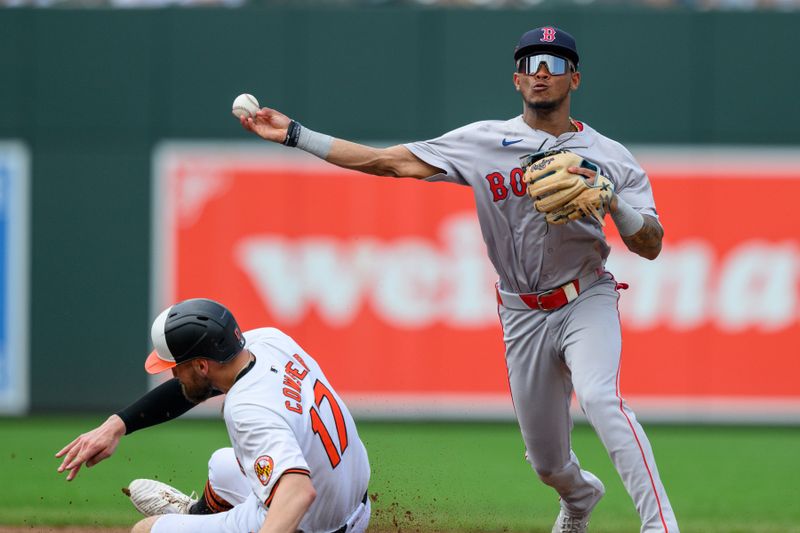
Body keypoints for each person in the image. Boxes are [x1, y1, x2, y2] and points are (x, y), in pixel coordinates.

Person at [236, 25, 679, 533]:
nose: (541, 72)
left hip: (586, 297)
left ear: (574, 78)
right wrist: (296, 135)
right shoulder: (482, 141)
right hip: (522, 313)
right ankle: (579, 498)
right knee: (547, 464)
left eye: (554, 64)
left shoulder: (610, 156)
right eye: (531, 63)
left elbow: (652, 243)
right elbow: (390, 162)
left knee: (602, 398)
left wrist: (614, 201)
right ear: (516, 79)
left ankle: (661, 525)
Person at [55, 298, 371, 533]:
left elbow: (298, 492)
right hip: (353, 505)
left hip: (314, 524)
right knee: (222, 464)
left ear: (203, 365)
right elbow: (192, 389)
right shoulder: (269, 343)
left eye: (176, 367)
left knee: (145, 531)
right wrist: (118, 424)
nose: (174, 374)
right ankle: (194, 516)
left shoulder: (246, 408)